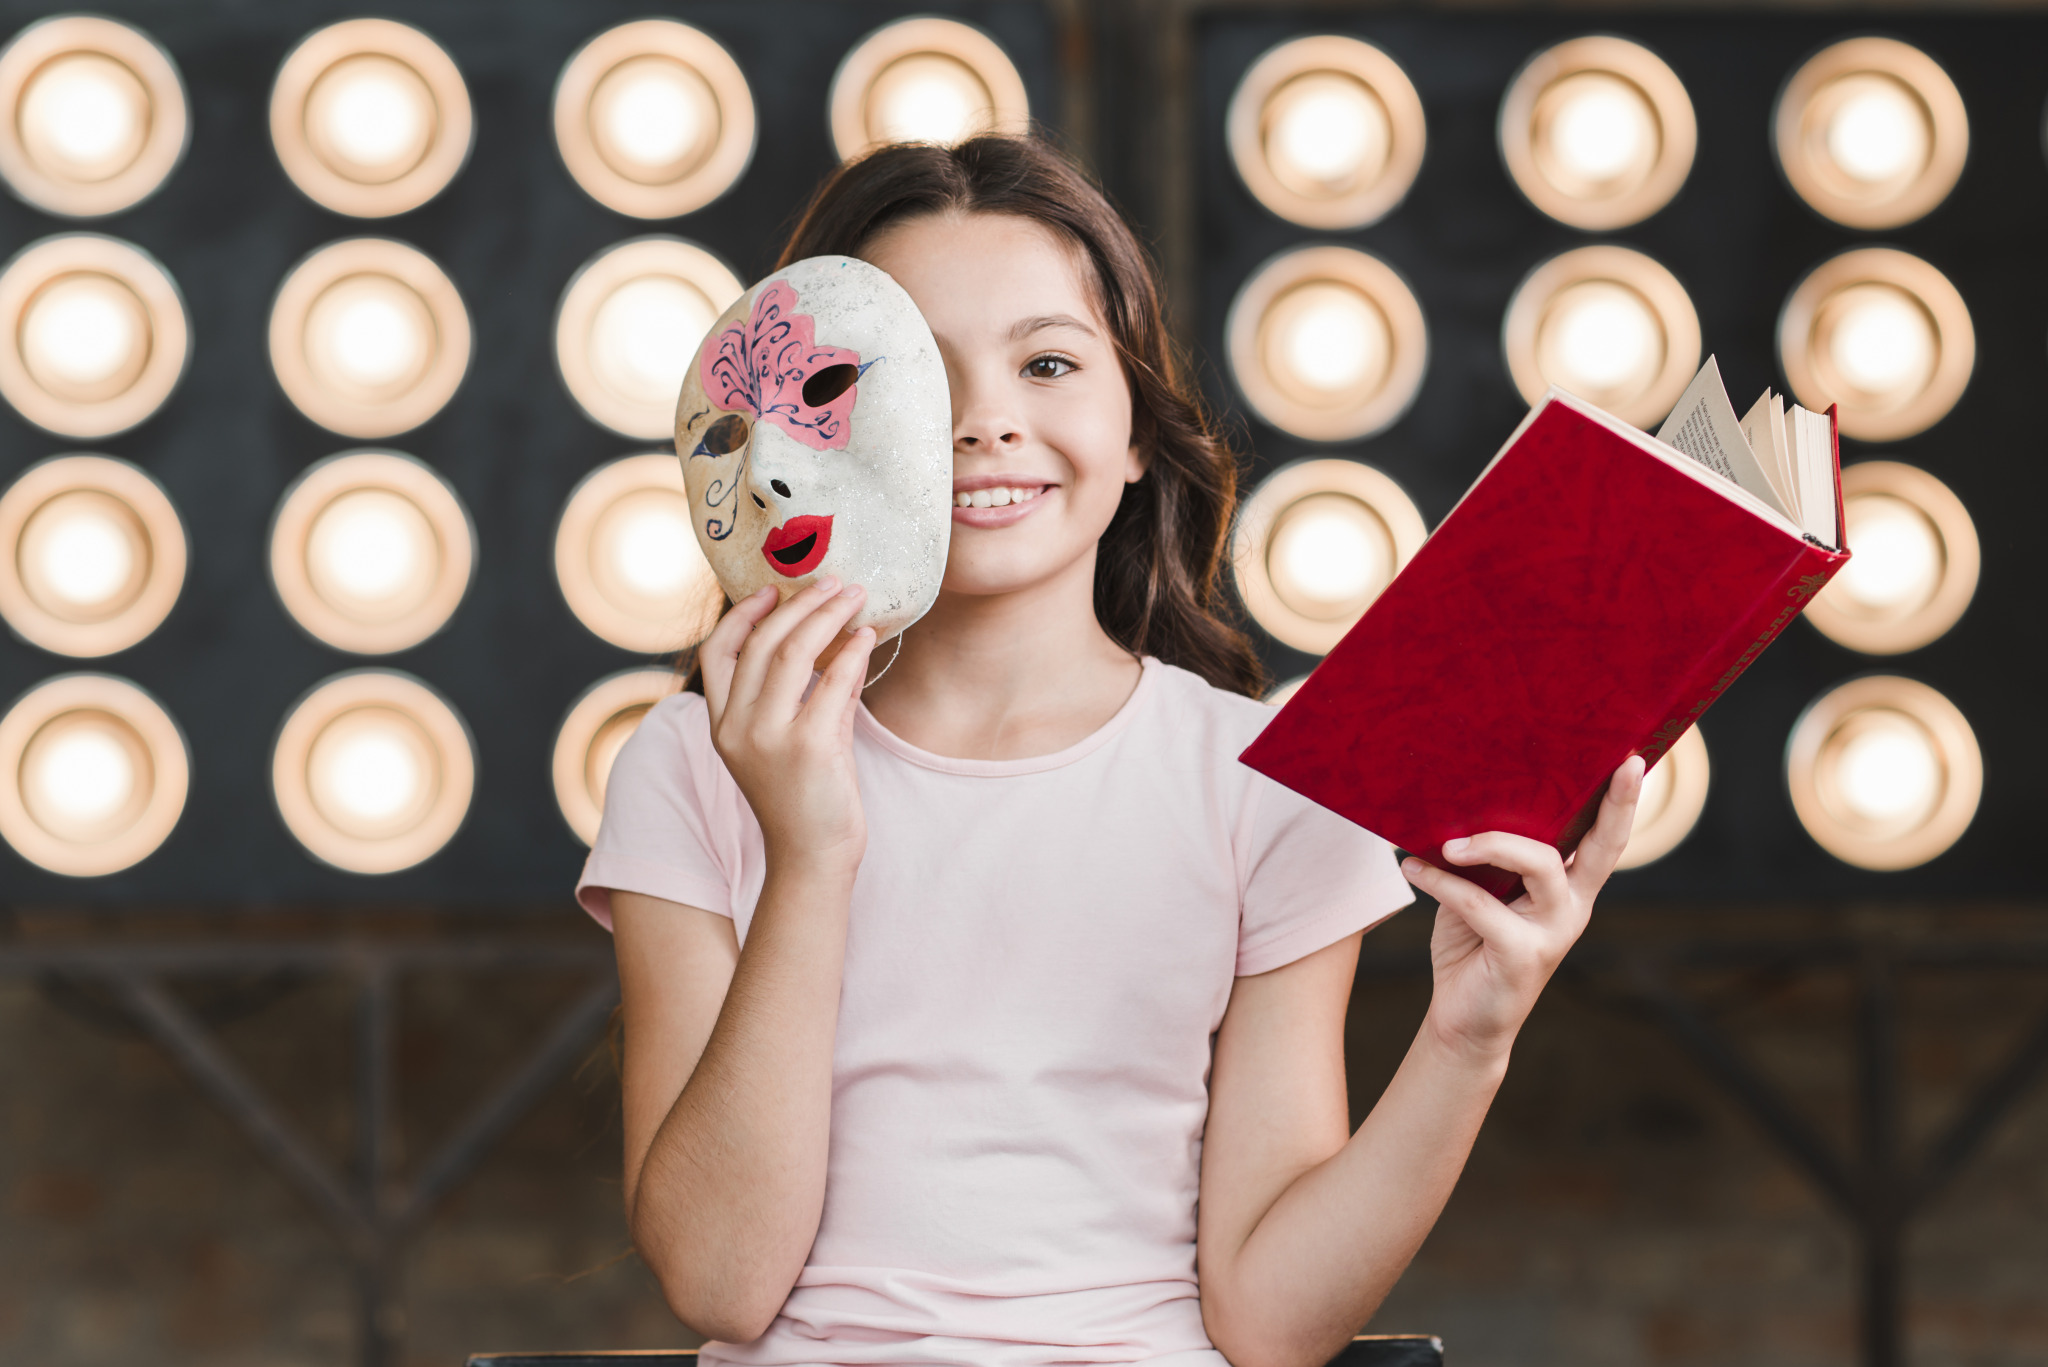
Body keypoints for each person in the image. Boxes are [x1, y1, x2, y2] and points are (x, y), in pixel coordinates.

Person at [577, 134, 1644, 1367]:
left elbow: (1269, 1319)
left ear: (1138, 429)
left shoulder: (1261, 785)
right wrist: (807, 848)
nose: (984, 422)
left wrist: (1470, 1034)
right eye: (914, 375)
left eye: (1045, 362)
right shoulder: (696, 762)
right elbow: (719, 1278)